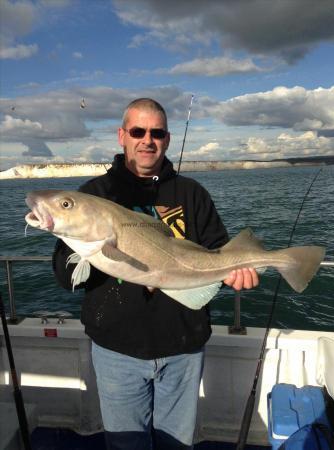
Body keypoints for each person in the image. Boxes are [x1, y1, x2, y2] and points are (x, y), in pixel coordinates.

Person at [53, 98, 259, 450]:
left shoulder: (191, 193)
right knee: (125, 445)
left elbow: (220, 251)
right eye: (137, 131)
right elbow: (63, 275)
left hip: (183, 347)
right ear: (122, 136)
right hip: (117, 350)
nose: (147, 140)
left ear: (166, 138)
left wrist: (238, 272)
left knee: (176, 445)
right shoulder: (93, 194)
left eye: (157, 132)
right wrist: (84, 248)